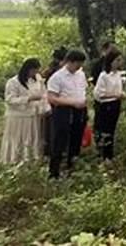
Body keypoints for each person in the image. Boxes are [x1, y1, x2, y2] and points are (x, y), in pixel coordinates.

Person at [47, 50, 88, 179]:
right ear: (69, 62)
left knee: (76, 139)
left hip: (79, 110)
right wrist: (71, 102)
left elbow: (83, 90)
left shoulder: (80, 74)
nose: (79, 67)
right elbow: (52, 98)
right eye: (77, 64)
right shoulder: (57, 77)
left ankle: (72, 167)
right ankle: (54, 172)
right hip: (63, 110)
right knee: (59, 141)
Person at [0, 58, 45, 164]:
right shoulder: (13, 82)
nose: (34, 73)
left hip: (33, 114)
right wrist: (28, 99)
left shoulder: (36, 80)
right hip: (18, 116)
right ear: (27, 69)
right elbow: (9, 99)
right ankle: (14, 158)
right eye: (33, 71)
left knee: (31, 138)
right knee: (17, 138)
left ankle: (30, 159)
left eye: (36, 71)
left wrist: (42, 107)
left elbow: (43, 94)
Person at [93, 49, 125, 162]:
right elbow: (99, 94)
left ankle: (109, 154)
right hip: (106, 106)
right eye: (117, 60)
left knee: (111, 130)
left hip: (116, 104)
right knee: (105, 130)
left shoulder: (118, 75)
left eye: (120, 60)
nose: (119, 63)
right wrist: (116, 95)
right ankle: (103, 155)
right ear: (110, 61)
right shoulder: (104, 75)